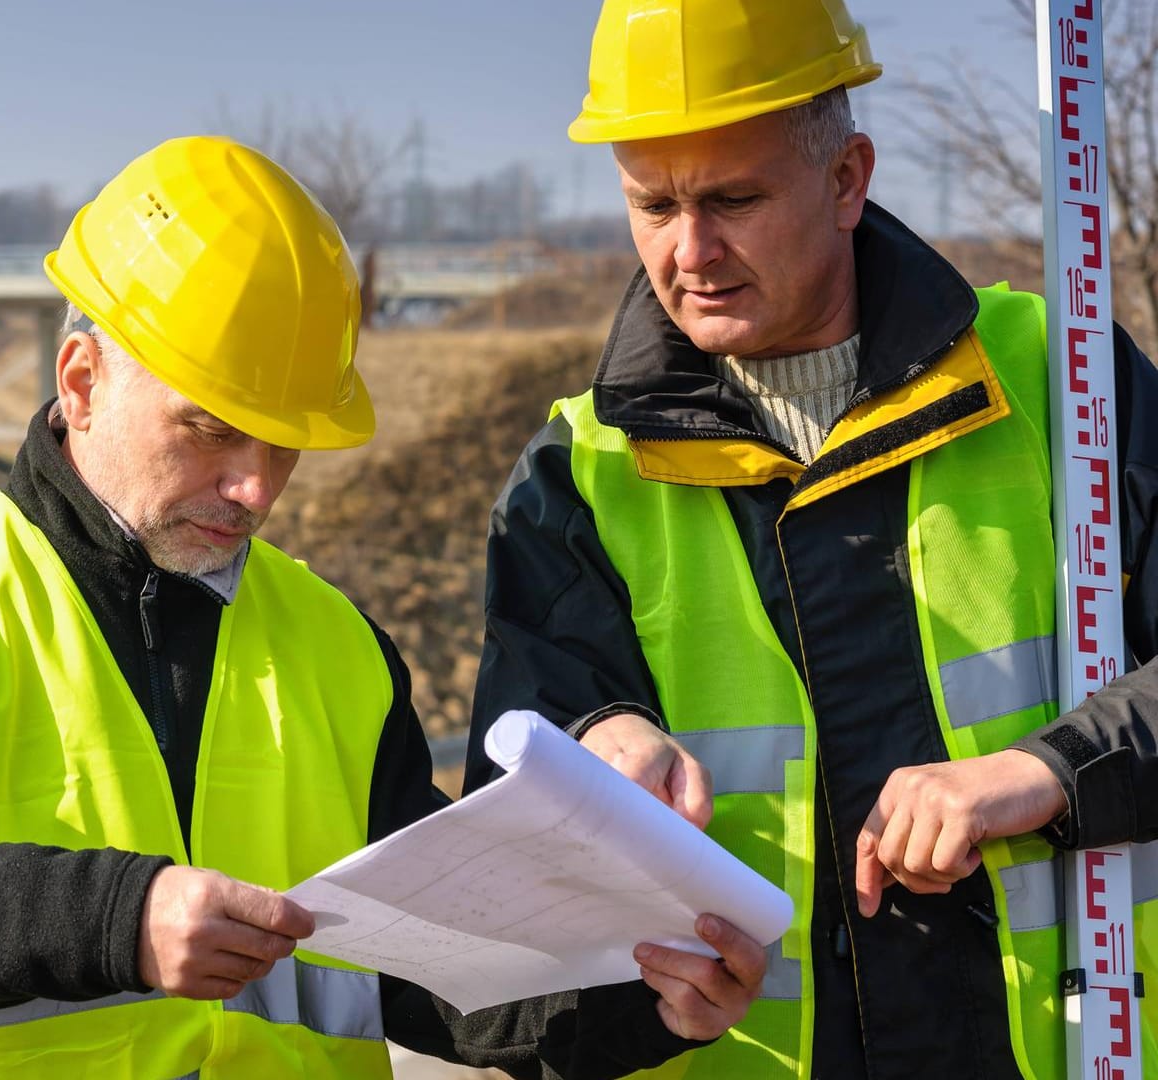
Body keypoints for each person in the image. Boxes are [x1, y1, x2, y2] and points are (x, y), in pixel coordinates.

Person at [0, 135, 765, 1079]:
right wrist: (117, 917)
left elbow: (438, 974)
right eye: (214, 431)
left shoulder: (337, 646)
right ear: (80, 381)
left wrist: (650, 1002)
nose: (258, 489)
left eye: (285, 443)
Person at [465, 2, 1158, 1076]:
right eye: (652, 205)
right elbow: (514, 942)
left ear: (847, 180)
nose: (688, 251)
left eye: (733, 199)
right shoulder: (580, 475)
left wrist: (1053, 770)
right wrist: (597, 744)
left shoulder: (1058, 381)